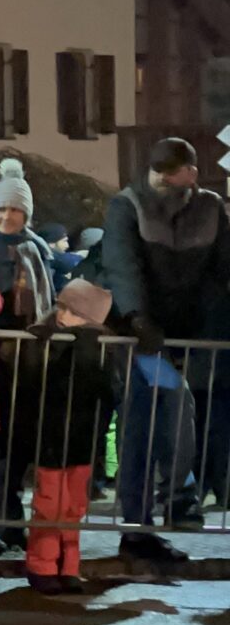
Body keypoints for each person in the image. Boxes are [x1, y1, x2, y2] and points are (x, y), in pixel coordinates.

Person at [97, 136, 230, 569]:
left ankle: (167, 510)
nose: (161, 179)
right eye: (159, 171)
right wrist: (136, 317)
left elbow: (222, 270)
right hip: (142, 333)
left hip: (191, 330)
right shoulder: (128, 205)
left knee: (183, 415)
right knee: (143, 423)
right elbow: (122, 263)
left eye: (170, 171)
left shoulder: (211, 208)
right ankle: (145, 521)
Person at [0, 169, 58, 551]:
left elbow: (47, 300)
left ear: (27, 214)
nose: (6, 217)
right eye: (0, 209)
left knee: (17, 444)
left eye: (15, 210)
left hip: (27, 359)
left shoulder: (36, 250)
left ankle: (11, 520)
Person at [9, 279, 118, 595]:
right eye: (64, 307)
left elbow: (101, 390)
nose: (64, 315)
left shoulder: (101, 349)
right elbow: (34, 384)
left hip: (82, 439)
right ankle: (42, 565)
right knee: (49, 503)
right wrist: (46, 346)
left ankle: (69, 565)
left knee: (73, 505)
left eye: (75, 312)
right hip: (51, 436)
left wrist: (81, 344)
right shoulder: (44, 338)